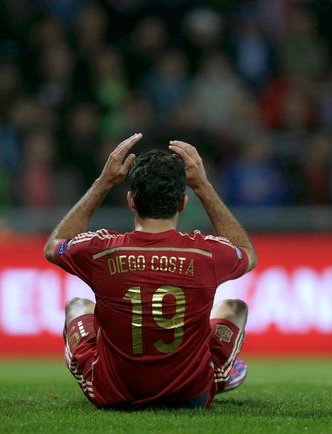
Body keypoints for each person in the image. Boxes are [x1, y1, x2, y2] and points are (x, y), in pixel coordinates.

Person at [44, 133, 257, 409]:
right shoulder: (206, 253)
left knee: (77, 305)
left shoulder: (100, 250)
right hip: (189, 395)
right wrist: (203, 186)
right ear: (182, 203)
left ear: (131, 201)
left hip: (112, 395)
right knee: (234, 308)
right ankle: (217, 376)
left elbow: (53, 247)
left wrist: (103, 183)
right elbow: (247, 254)